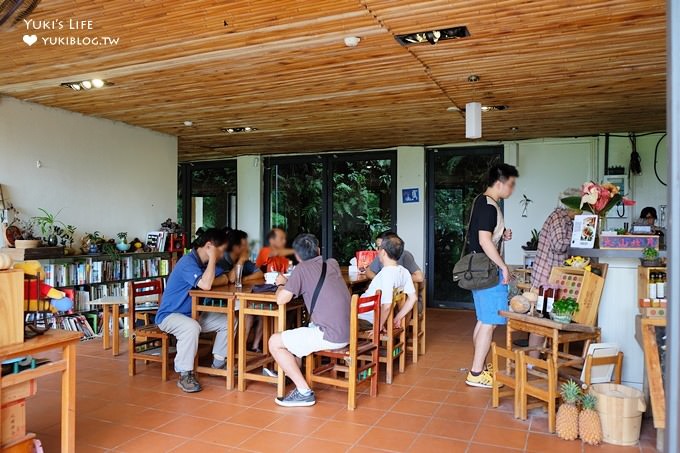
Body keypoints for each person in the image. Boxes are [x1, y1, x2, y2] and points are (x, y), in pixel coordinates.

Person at [268, 234, 350, 407]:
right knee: (296, 333)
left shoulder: (301, 269)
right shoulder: (332, 264)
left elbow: (281, 299)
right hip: (348, 331)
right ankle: (290, 373)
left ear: (297, 256)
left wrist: (282, 284)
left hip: (331, 335)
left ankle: (304, 392)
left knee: (274, 341)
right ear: (318, 250)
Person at [155, 228, 230, 393]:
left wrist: (211, 271)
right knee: (191, 327)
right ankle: (185, 374)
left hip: (194, 314)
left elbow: (225, 277)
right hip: (170, 316)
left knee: (229, 320)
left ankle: (218, 363)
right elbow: (206, 284)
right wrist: (212, 259)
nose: (223, 255)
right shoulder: (187, 262)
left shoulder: (201, 264)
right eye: (221, 251)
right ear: (209, 246)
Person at [465, 163, 518, 388]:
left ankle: (478, 367)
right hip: (487, 270)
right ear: (500, 183)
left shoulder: (482, 201)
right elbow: (484, 240)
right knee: (489, 322)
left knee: (484, 320)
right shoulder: (489, 206)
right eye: (511, 184)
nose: (512, 189)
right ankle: (476, 374)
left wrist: (501, 235)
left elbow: (483, 237)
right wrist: (503, 266)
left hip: (478, 268)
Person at [528, 191, 581, 355]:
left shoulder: (567, 220)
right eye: (581, 205)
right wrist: (579, 236)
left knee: (547, 318)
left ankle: (538, 359)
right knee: (542, 320)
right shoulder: (558, 218)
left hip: (553, 277)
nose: (582, 209)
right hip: (546, 278)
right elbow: (558, 245)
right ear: (572, 205)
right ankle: (532, 362)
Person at [218, 229, 265, 351]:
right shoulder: (222, 260)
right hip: (219, 301)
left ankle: (254, 346)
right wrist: (240, 262)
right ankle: (239, 349)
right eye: (244, 245)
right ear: (235, 247)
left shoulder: (245, 261)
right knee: (248, 310)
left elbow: (259, 274)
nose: (247, 248)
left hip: (237, 298)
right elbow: (231, 279)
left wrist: (243, 279)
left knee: (263, 309)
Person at [360, 233, 417, 330]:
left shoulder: (386, 274)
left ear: (383, 252)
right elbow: (413, 298)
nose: (377, 251)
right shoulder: (404, 272)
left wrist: (379, 326)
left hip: (364, 319)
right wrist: (398, 317)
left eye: (378, 248)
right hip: (375, 317)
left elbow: (387, 306)